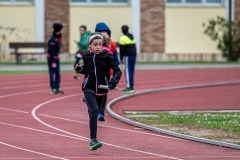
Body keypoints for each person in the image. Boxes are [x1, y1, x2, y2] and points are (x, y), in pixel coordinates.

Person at [74, 32, 122, 150]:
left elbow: (117, 71)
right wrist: (80, 69)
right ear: (90, 45)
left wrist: (112, 83)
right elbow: (87, 70)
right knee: (94, 111)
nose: (98, 47)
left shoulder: (107, 55)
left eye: (100, 44)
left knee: (94, 112)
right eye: (95, 44)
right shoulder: (87, 56)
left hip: (101, 88)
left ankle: (88, 102)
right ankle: (93, 140)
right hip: (88, 87)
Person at [94, 22, 120, 121]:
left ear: (109, 34)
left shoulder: (112, 45)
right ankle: (92, 105)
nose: (103, 34)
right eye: (100, 32)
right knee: (93, 91)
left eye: (105, 32)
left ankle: (101, 112)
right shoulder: (93, 44)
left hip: (106, 73)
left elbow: (116, 61)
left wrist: (114, 75)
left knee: (103, 92)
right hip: (94, 72)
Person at [119, 25, 137, 94]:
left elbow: (122, 50)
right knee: (131, 71)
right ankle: (131, 86)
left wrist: (121, 59)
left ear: (122, 30)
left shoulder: (123, 38)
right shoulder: (132, 37)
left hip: (128, 56)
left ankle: (129, 87)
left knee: (127, 71)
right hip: (133, 56)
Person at [47, 23, 64, 94]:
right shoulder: (52, 38)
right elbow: (51, 50)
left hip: (57, 57)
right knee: (52, 73)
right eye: (60, 30)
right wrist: (53, 61)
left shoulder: (59, 36)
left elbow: (58, 47)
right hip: (51, 58)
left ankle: (57, 87)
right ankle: (53, 88)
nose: (60, 31)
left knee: (58, 73)